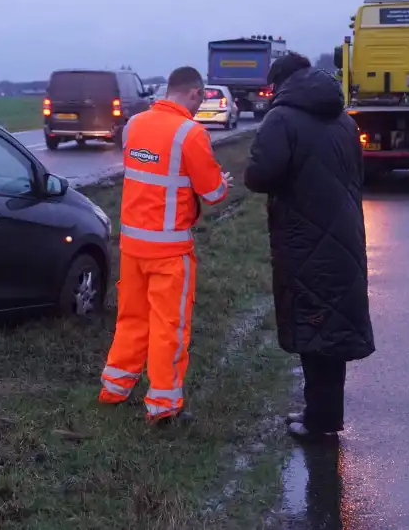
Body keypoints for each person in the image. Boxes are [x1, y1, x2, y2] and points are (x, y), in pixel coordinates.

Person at [243, 52, 374, 441]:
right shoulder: (344, 120)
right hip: (345, 236)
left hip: (305, 240)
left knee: (315, 329)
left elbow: (259, 176)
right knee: (331, 330)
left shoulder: (281, 119)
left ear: (280, 82)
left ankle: (319, 423)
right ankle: (322, 413)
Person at [98, 66, 232, 425]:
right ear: (192, 93)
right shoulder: (190, 133)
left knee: (130, 319)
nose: (200, 105)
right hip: (170, 251)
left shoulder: (135, 125)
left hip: (132, 246)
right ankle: (163, 406)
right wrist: (224, 182)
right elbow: (213, 193)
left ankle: (114, 387)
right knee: (168, 327)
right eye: (200, 98)